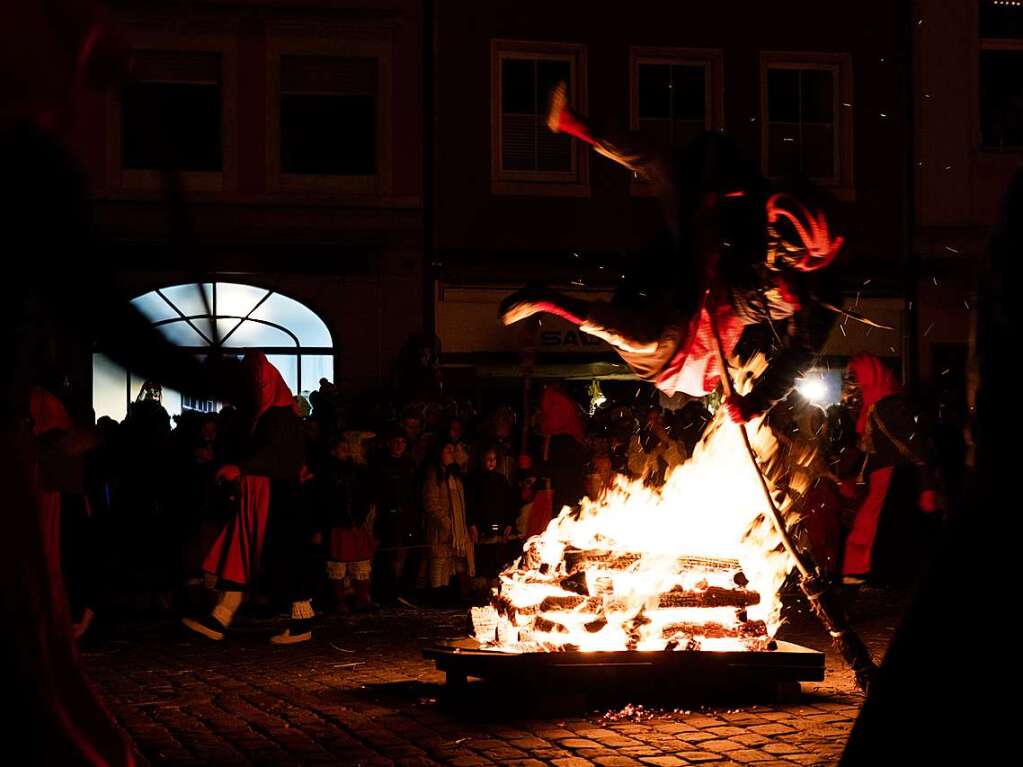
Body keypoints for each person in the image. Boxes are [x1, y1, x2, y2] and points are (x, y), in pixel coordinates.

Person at [500, 83, 844, 426]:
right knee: (661, 165)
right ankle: (574, 124)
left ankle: (547, 301)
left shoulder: (821, 295)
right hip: (705, 251)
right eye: (771, 231)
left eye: (782, 251)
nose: (771, 247)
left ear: (808, 260)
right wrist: (716, 197)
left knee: (642, 336)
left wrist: (756, 403)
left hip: (716, 317)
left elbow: (799, 353)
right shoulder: (771, 205)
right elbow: (740, 185)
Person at [183, 353, 314, 644]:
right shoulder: (262, 415)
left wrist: (240, 467)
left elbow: (280, 458)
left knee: (280, 555)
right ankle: (220, 617)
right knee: (238, 553)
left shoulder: (279, 416)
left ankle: (301, 622)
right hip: (256, 496)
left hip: (274, 497)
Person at [840, 354, 942, 588]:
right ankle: (862, 577)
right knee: (869, 530)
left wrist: (927, 487)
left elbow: (916, 448)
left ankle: (885, 580)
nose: (851, 384)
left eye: (855, 377)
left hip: (898, 479)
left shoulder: (889, 405)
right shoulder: (872, 405)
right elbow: (870, 451)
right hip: (882, 480)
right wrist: (854, 477)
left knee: (890, 532)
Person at [317, 431, 377, 613]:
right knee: (338, 565)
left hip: (356, 524)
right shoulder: (326, 473)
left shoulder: (358, 471)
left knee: (361, 563)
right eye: (342, 448)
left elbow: (365, 495)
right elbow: (324, 501)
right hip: (337, 524)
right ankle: (339, 601)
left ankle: (361, 598)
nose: (347, 451)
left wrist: (360, 517)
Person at [423, 442, 475, 605]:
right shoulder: (434, 474)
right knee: (438, 560)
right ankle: (436, 595)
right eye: (448, 450)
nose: (452, 454)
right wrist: (446, 523)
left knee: (449, 562)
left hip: (455, 529)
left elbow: (461, 503)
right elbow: (431, 502)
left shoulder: (454, 475)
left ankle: (444, 595)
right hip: (440, 529)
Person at [371, 432, 419, 605]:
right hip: (386, 516)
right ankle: (387, 591)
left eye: (402, 441)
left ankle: (399, 590)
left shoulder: (409, 465)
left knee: (402, 553)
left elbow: (412, 491)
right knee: (387, 555)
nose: (399, 445)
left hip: (405, 516)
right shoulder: (381, 465)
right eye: (396, 441)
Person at [467, 446, 518, 587]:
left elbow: (509, 502)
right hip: (481, 530)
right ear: (482, 459)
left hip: (499, 530)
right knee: (482, 562)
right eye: (488, 459)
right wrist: (472, 525)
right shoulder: (474, 480)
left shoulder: (501, 479)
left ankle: (494, 590)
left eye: (494, 459)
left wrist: (509, 523)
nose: (491, 462)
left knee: (497, 562)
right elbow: (470, 504)